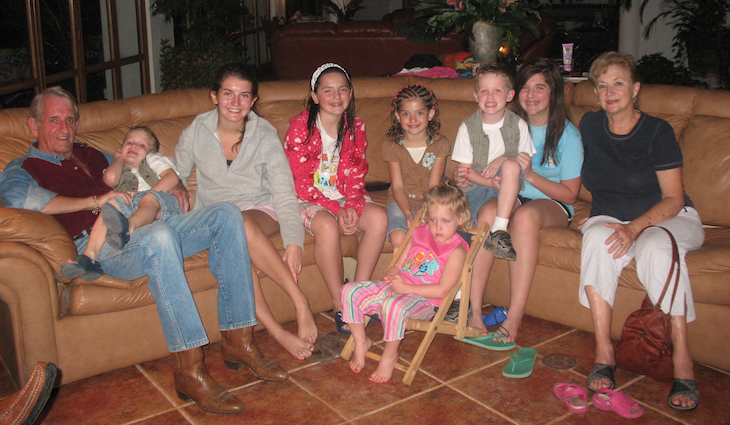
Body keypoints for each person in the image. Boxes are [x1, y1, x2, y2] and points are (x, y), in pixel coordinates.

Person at [0, 87, 285, 415]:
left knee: (226, 215)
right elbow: (22, 201)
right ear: (33, 126)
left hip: (140, 224)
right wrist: (96, 202)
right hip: (102, 245)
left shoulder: (94, 154)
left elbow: (140, 175)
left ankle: (240, 342)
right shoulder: (22, 168)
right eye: (53, 120)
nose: (64, 127)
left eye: (69, 119)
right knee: (161, 236)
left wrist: (175, 187)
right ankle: (190, 370)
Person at [579, 52, 703, 411]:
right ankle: (604, 351)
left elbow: (674, 198)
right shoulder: (589, 125)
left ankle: (683, 359)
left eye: (618, 83)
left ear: (635, 89)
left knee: (654, 247)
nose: (610, 92)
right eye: (602, 86)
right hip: (613, 218)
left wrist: (634, 228)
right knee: (595, 239)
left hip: (669, 218)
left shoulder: (657, 131)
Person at [175, 63, 318, 360]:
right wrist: (174, 187)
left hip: (259, 209)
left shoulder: (263, 134)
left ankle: (300, 301)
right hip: (216, 216)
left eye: (244, 96)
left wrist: (294, 241)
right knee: (233, 238)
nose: (235, 103)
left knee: (238, 223)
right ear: (214, 96)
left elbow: (283, 191)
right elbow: (175, 172)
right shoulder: (196, 130)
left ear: (253, 101)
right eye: (228, 94)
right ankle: (277, 332)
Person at [456, 59, 583, 344]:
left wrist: (530, 175)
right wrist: (463, 174)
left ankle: (514, 317)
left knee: (524, 218)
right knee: (488, 211)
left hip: (552, 202)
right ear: (515, 93)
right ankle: (473, 311)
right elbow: (479, 163)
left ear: (553, 93)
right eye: (525, 87)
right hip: (509, 194)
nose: (531, 94)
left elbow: (571, 195)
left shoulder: (567, 135)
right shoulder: (508, 123)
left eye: (540, 87)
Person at [284, 63, 388, 334]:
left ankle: (357, 294)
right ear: (315, 96)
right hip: (303, 198)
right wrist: (334, 209)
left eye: (342, 89)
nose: (336, 96)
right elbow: (300, 183)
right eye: (327, 90)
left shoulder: (355, 127)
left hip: (342, 197)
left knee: (378, 218)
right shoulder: (300, 128)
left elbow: (356, 173)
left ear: (350, 93)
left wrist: (352, 205)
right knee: (327, 226)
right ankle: (337, 301)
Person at [341, 183, 470, 383]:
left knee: (392, 305)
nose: (437, 227)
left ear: (460, 219)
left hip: (424, 301)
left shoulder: (456, 251)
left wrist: (405, 289)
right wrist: (391, 276)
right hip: (398, 287)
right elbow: (398, 264)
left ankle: (390, 354)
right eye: (433, 220)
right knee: (349, 290)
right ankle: (361, 341)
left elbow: (442, 290)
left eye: (446, 221)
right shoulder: (419, 232)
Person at [60, 126, 182, 280]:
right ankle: (89, 256)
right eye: (129, 142)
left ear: (151, 152)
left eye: (142, 145)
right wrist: (119, 159)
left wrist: (148, 194)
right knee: (112, 202)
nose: (134, 146)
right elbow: (110, 179)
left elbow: (171, 178)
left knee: (148, 200)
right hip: (134, 212)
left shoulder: (152, 160)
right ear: (121, 148)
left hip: (161, 206)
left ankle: (128, 226)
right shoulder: (119, 168)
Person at [451, 63, 536, 262]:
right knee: (463, 237)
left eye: (497, 91)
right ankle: (459, 283)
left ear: (509, 95)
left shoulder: (518, 125)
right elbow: (464, 172)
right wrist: (488, 182)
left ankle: (499, 229)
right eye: (484, 91)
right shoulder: (467, 127)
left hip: (507, 189)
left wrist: (505, 158)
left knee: (511, 165)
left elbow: (524, 163)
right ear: (475, 96)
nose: (490, 97)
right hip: (475, 187)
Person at [383, 84, 450, 248]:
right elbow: (397, 187)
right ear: (398, 116)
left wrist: (424, 212)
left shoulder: (440, 144)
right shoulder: (391, 145)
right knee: (399, 237)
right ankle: (402, 274)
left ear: (431, 114)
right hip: (400, 202)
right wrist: (407, 213)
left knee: (430, 238)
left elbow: (434, 187)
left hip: (430, 201)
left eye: (419, 113)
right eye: (406, 114)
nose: (413, 120)